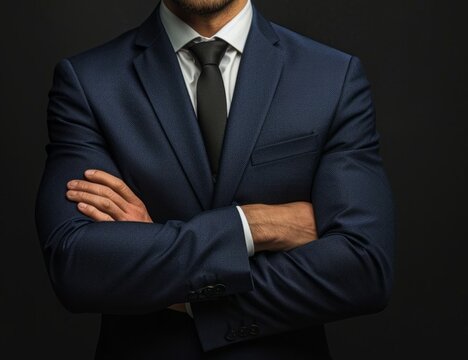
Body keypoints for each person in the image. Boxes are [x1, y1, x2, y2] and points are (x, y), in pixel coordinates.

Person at [35, 0, 395, 358]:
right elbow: (78, 266)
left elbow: (363, 269)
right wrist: (253, 226)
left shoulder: (332, 76)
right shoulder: (88, 81)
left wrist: (169, 277)